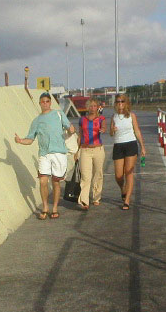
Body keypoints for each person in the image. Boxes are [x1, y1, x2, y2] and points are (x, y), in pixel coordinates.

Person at [14, 92, 75, 220]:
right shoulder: (36, 121)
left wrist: (71, 129)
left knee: (56, 182)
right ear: (40, 103)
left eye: (47, 101)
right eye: (43, 102)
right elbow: (30, 139)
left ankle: (55, 208)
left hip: (59, 152)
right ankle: (45, 207)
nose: (45, 104)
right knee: (43, 181)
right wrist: (20, 141)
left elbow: (69, 127)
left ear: (50, 102)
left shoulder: (58, 114)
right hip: (44, 154)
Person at [110, 94, 146, 210]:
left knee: (128, 172)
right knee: (119, 175)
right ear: (115, 103)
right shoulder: (114, 117)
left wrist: (142, 147)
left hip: (130, 144)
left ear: (126, 103)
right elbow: (111, 134)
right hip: (118, 145)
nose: (120, 103)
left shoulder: (131, 116)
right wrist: (112, 130)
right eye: (118, 101)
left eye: (122, 101)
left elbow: (137, 131)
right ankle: (123, 189)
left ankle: (127, 200)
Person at [76, 97, 107, 209]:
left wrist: (102, 130)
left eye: (95, 106)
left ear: (98, 107)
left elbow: (104, 127)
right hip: (85, 150)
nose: (93, 108)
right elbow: (80, 135)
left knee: (98, 174)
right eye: (90, 106)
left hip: (98, 149)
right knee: (85, 175)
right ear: (87, 107)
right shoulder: (82, 119)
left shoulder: (101, 118)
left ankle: (96, 197)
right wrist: (77, 151)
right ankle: (84, 200)